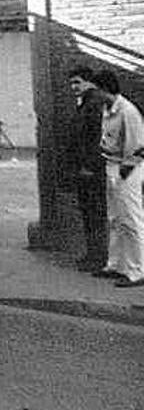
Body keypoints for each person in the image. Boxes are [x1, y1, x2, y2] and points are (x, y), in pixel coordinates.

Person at [90, 70, 144, 287]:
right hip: (111, 164)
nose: (95, 95)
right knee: (114, 219)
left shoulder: (127, 111)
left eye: (97, 90)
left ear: (105, 89)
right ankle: (117, 265)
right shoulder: (108, 109)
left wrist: (125, 170)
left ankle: (138, 270)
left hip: (126, 168)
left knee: (131, 219)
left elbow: (139, 145)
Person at [66, 67, 111, 271]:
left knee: (95, 213)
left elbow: (95, 138)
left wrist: (88, 166)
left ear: (89, 82)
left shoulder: (95, 103)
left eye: (77, 82)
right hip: (87, 168)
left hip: (92, 169)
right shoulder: (87, 102)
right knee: (90, 212)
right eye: (72, 83)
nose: (73, 87)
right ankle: (94, 255)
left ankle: (98, 257)